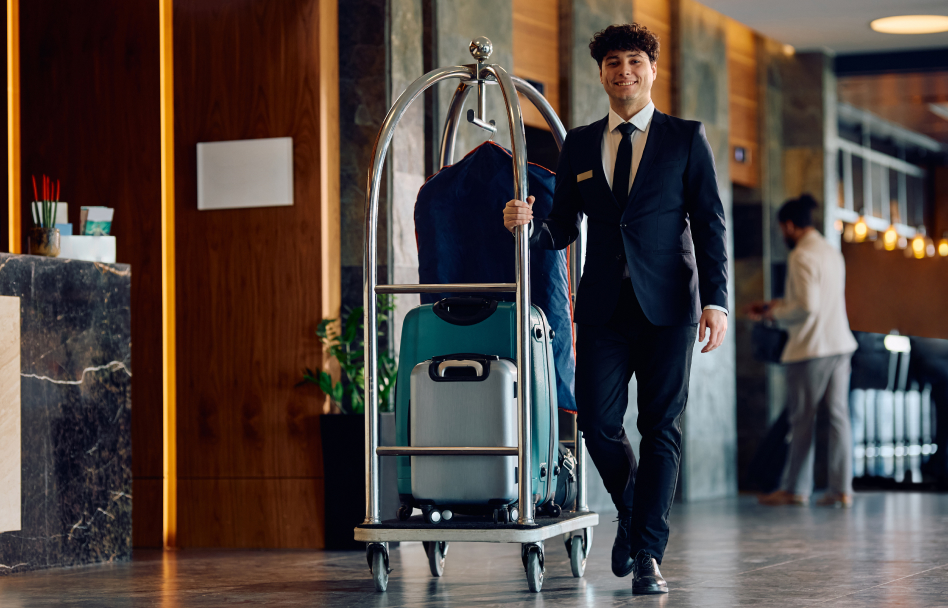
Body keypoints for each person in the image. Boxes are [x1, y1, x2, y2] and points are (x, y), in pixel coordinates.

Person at [503, 23, 728, 595]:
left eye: (634, 61)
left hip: (669, 307)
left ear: (652, 70)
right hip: (603, 307)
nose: (623, 72)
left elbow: (709, 224)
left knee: (660, 429)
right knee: (598, 425)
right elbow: (562, 228)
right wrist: (528, 229)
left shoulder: (685, 138)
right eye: (612, 63)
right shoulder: (579, 143)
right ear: (600, 74)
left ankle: (649, 553)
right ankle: (633, 512)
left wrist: (716, 302)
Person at [750, 194, 858, 508]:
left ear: (789, 226)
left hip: (811, 348)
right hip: (840, 344)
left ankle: (795, 489)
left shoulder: (800, 256)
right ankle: (842, 489)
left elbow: (806, 307)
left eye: (781, 228)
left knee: (802, 420)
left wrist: (774, 312)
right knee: (839, 418)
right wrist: (777, 306)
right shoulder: (830, 251)